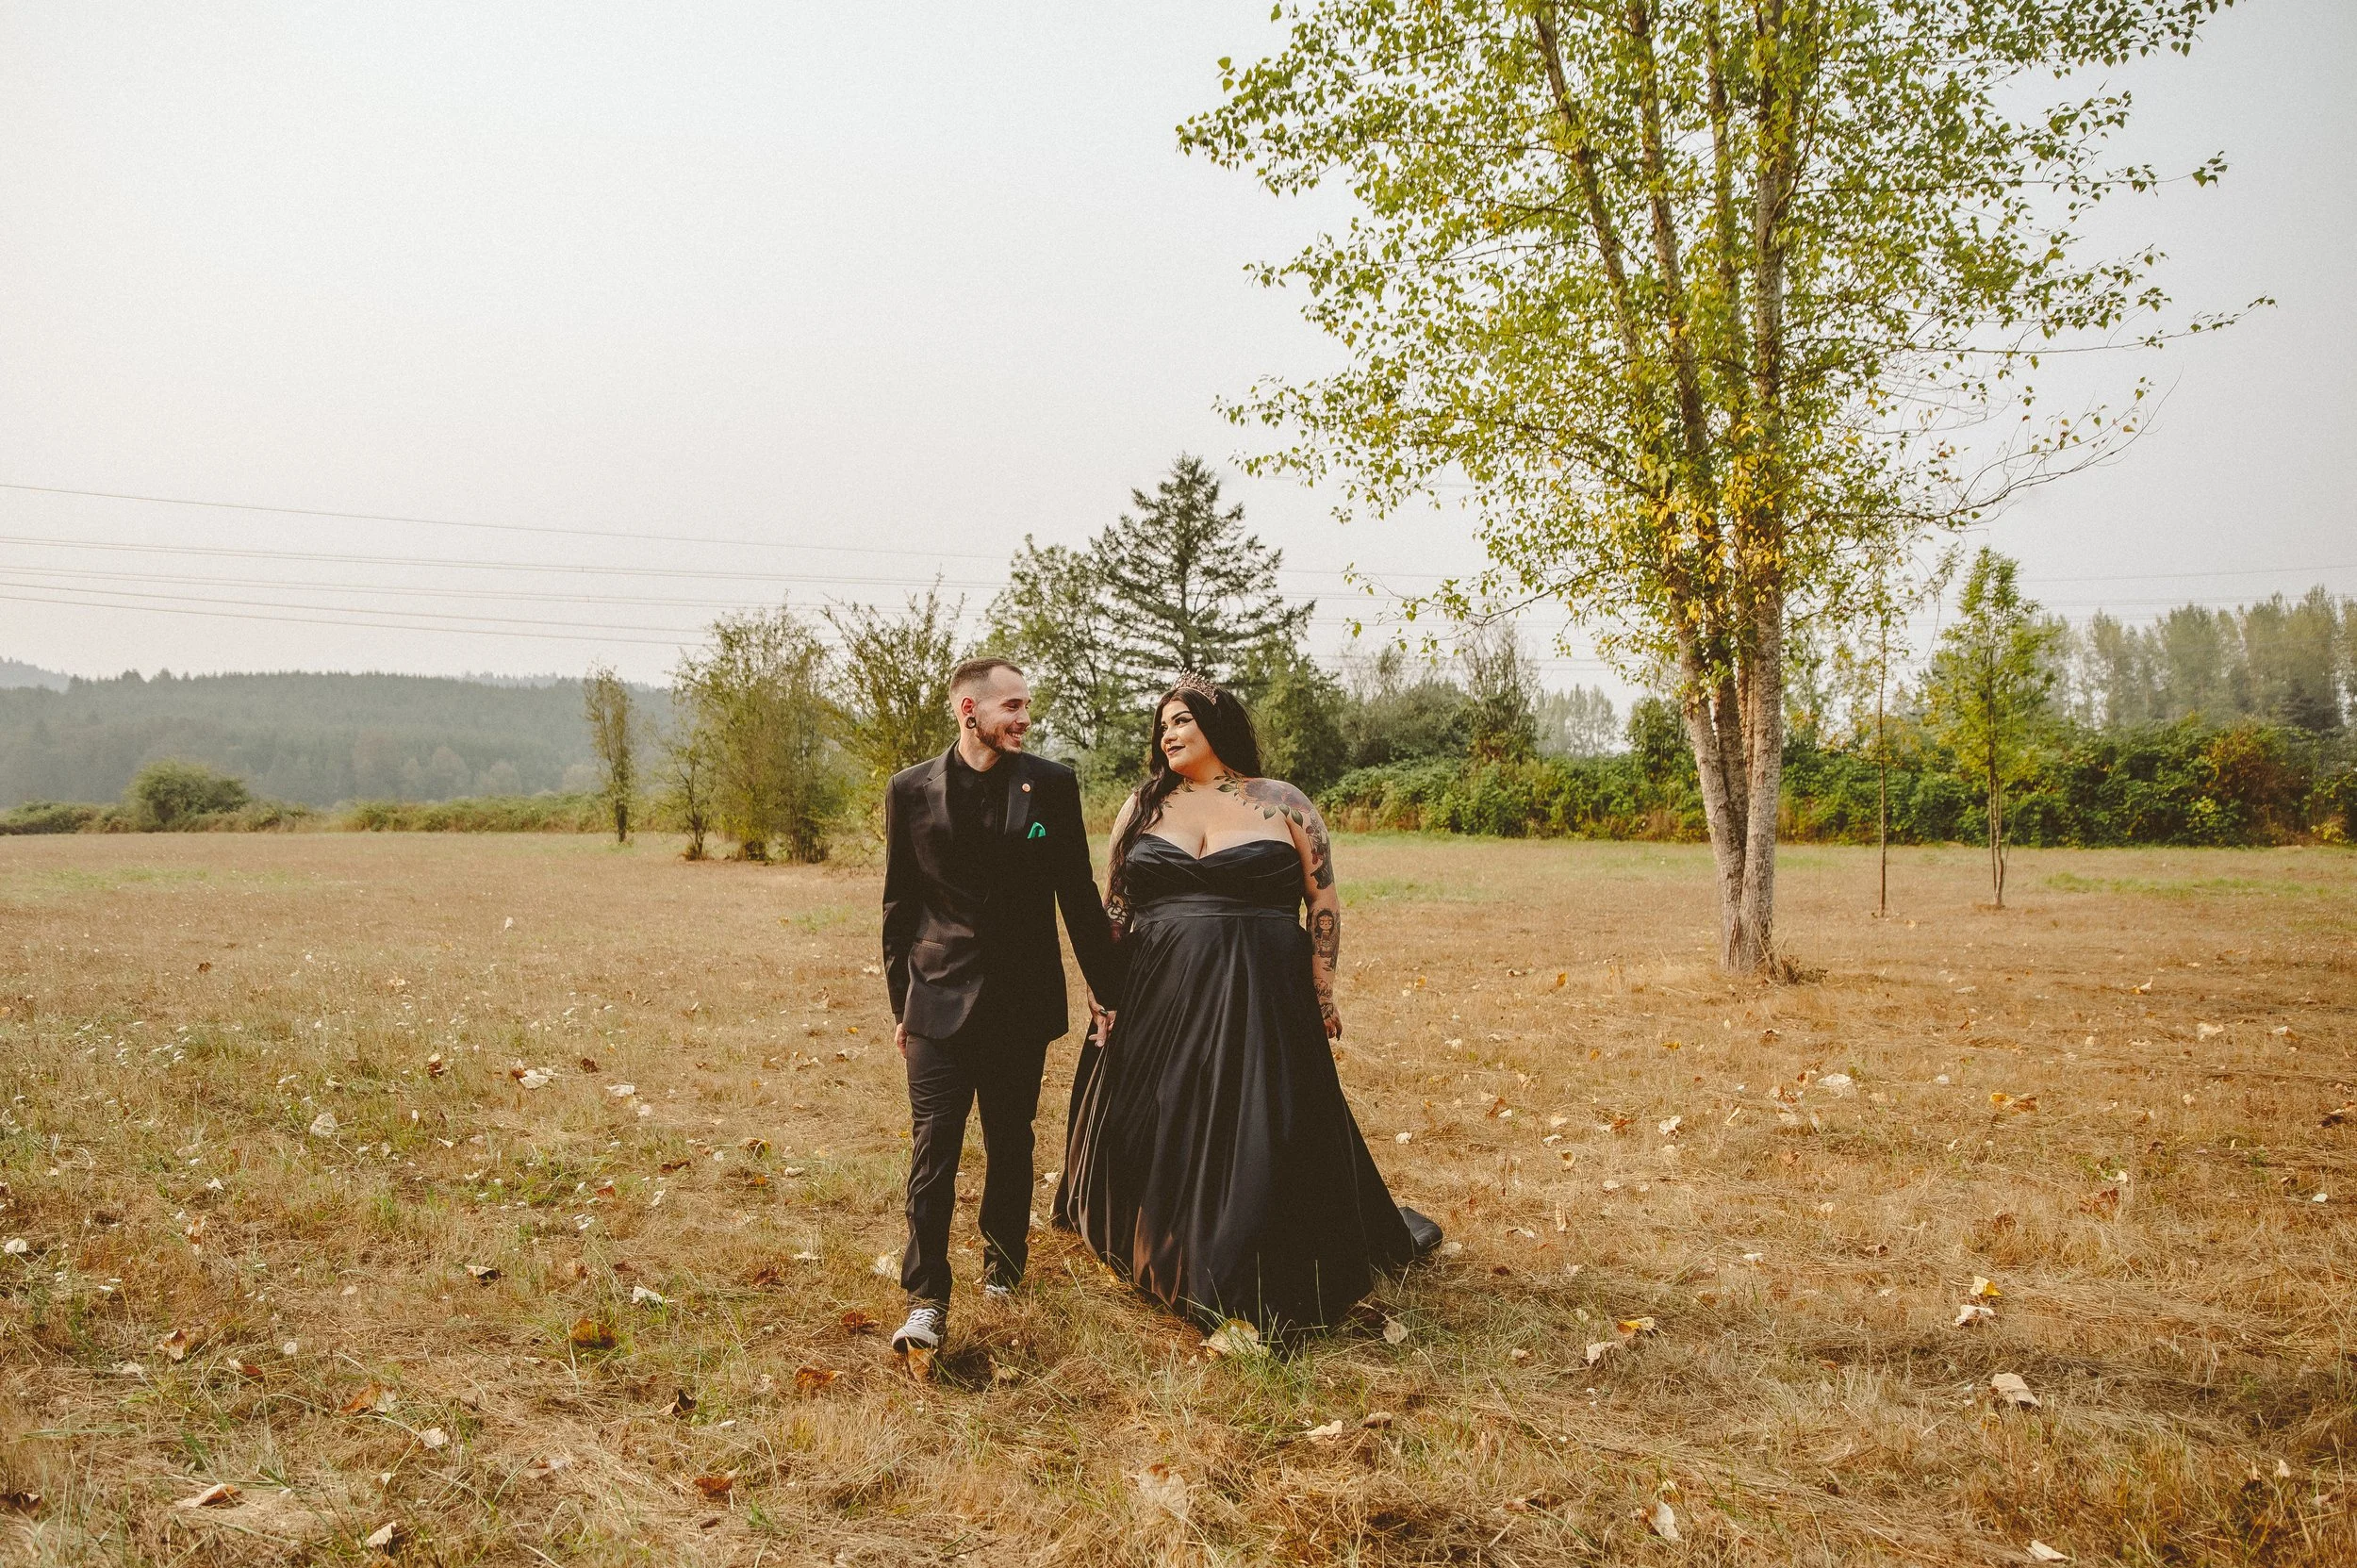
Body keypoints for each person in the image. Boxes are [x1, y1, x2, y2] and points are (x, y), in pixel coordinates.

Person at [1055, 673, 1439, 1339]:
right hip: (1159, 991)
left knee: (1262, 1121)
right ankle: (1165, 1237)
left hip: (1262, 994)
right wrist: (1099, 991)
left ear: (1216, 723)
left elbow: (1322, 902)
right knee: (1166, 1112)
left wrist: (1322, 993)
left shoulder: (1283, 802)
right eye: (1161, 726)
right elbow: (1114, 910)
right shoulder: (1143, 805)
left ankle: (1246, 1251)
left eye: (1180, 720)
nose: (1167, 734)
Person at [879, 656, 1120, 1357]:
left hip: (1020, 998)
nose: (1024, 718)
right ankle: (926, 1298)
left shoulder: (1050, 784)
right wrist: (903, 1002)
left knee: (1012, 1140)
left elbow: (1076, 892)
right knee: (934, 1148)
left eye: (1026, 706)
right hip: (934, 999)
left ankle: (1003, 1269)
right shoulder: (909, 790)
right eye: (1011, 705)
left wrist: (1105, 986)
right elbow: (899, 905)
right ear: (968, 711)